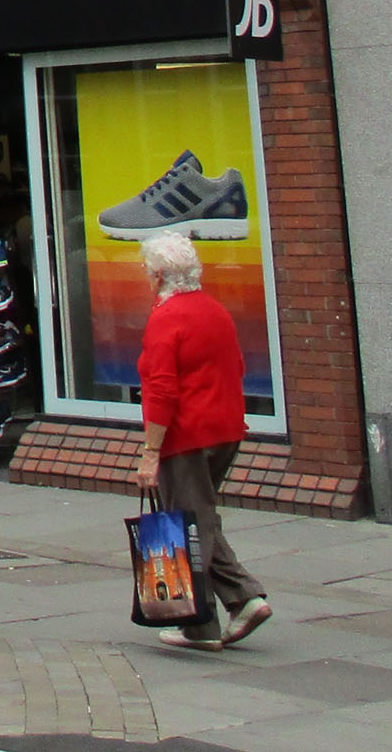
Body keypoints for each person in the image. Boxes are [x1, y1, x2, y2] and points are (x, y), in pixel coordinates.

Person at [132, 232, 271, 650]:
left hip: (187, 435)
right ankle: (241, 600)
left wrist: (151, 452)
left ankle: (203, 623)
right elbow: (237, 366)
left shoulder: (165, 317)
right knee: (199, 517)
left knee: (189, 524)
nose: (146, 278)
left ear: (159, 276)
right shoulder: (215, 310)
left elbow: (162, 390)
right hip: (225, 429)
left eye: (147, 271)